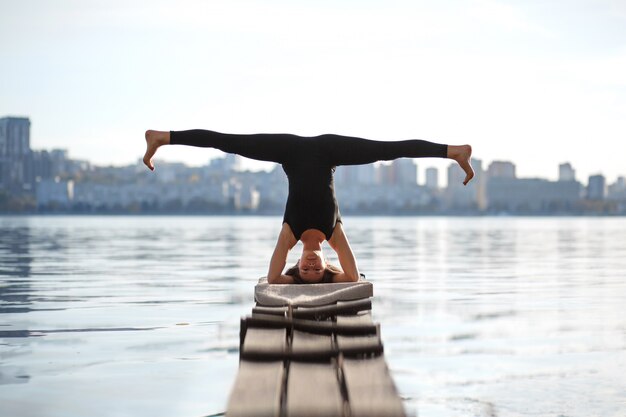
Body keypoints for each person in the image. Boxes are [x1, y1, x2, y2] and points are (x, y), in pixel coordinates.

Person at [143, 129, 474, 284]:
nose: (312, 266)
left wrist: (296, 283)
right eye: (318, 270)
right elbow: (354, 277)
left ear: (297, 264)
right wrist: (330, 280)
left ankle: (162, 137)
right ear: (327, 264)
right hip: (330, 150)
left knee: (229, 143)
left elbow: (273, 278)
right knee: (388, 150)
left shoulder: (290, 234)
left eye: (305, 270)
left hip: (288, 149)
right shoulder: (334, 234)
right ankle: (454, 151)